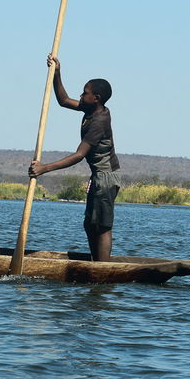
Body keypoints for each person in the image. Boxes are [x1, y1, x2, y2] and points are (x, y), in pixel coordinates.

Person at [28, 55, 121, 261]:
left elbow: (79, 155)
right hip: (97, 177)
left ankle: (102, 269)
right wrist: (57, 73)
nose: (81, 94)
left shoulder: (99, 120)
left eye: (85, 93)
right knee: (90, 224)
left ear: (96, 97)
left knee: (102, 226)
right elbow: (62, 100)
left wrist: (45, 168)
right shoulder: (89, 108)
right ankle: (94, 262)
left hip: (106, 178)